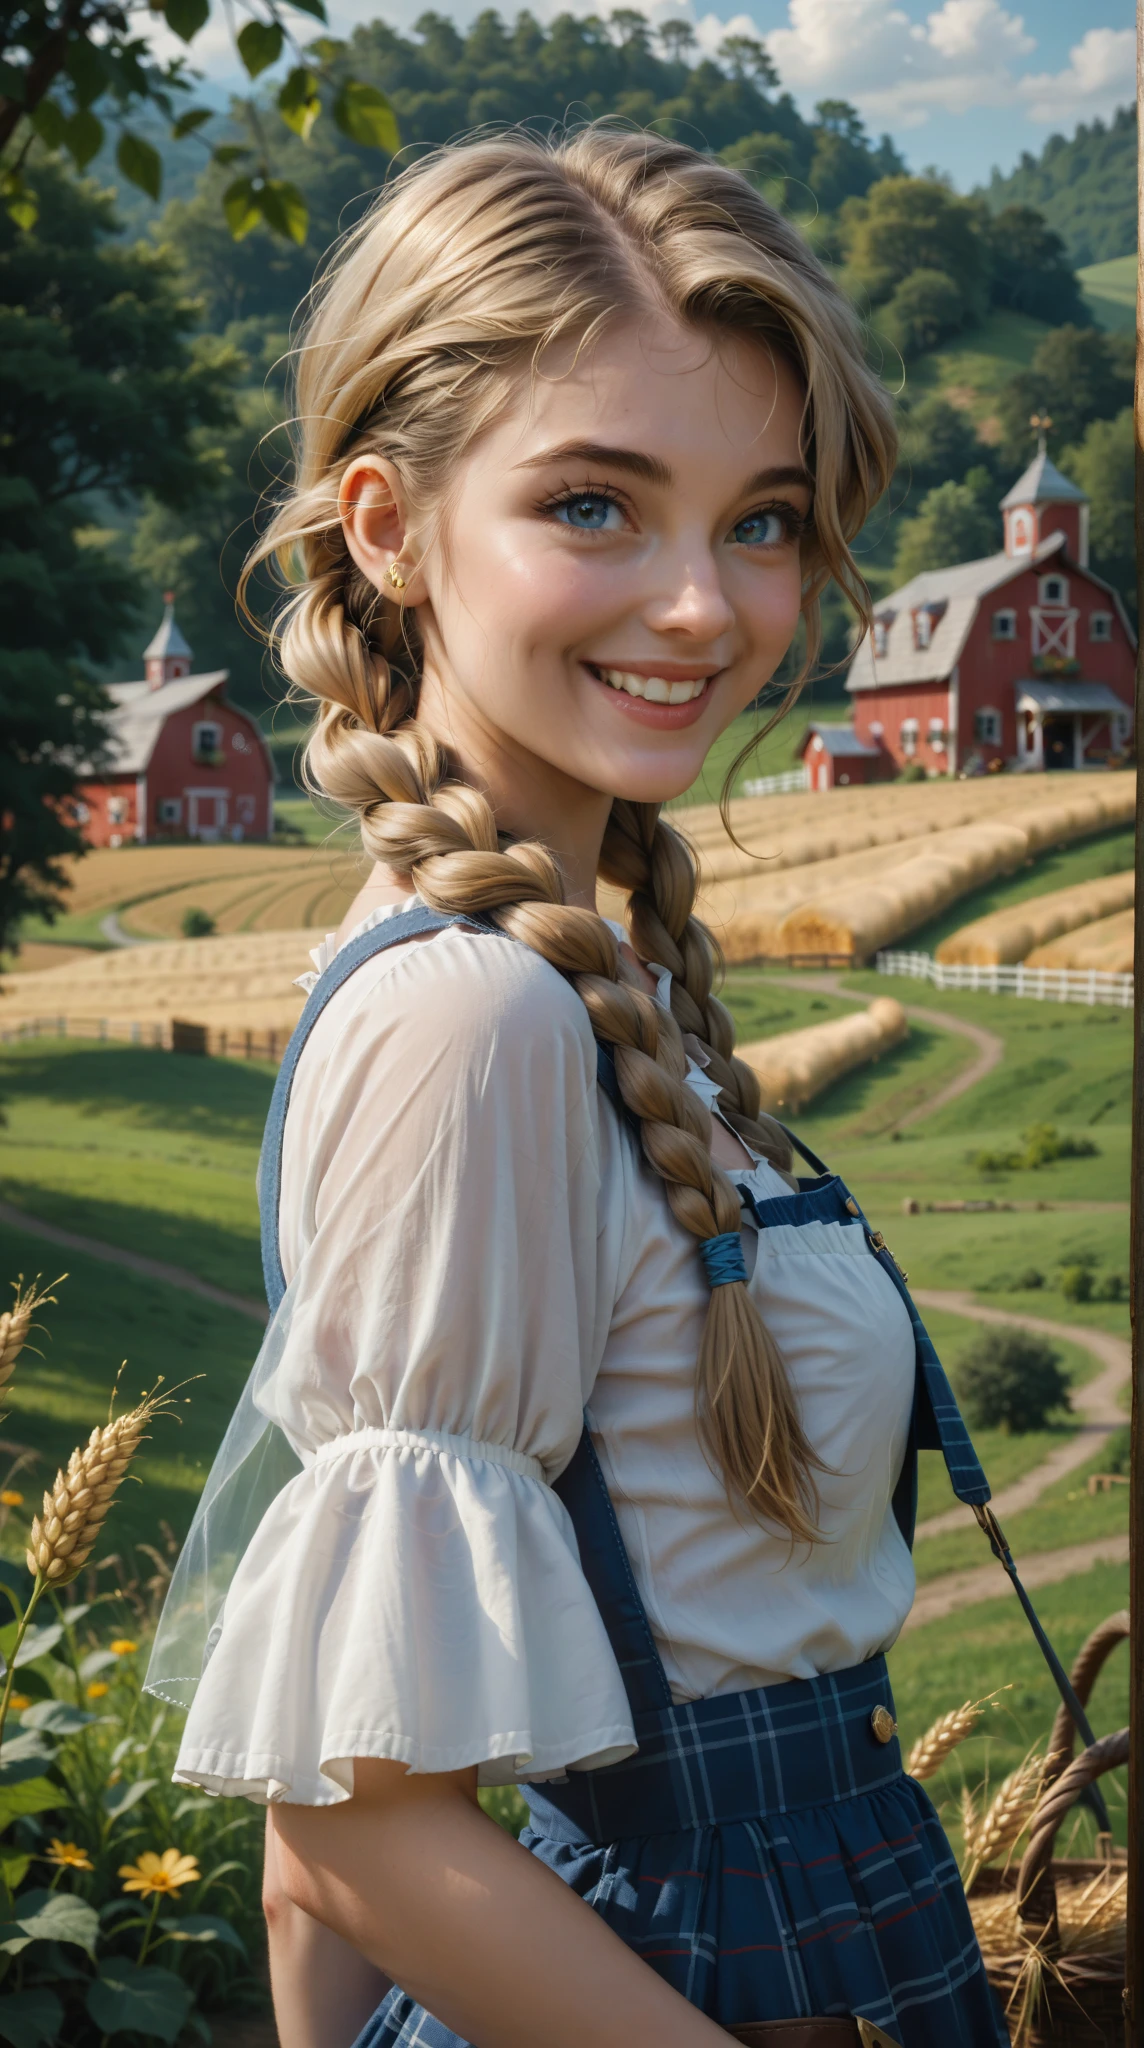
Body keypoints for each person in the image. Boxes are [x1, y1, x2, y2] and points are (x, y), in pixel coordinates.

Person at [147, 127, 1010, 2048]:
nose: (704, 607)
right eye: (598, 507)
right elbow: (355, 1830)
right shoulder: (477, 1019)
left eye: (761, 522)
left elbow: (329, 1871)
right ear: (386, 524)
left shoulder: (583, 972)